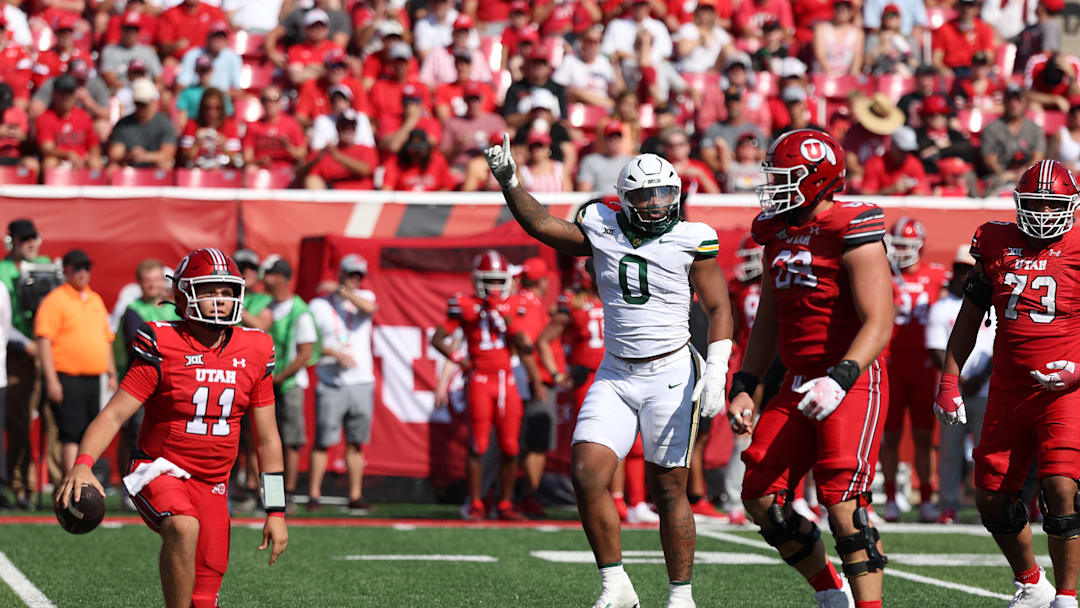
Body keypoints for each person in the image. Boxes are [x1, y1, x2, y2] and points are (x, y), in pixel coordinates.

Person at [486, 135, 733, 608]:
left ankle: (681, 596)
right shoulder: (600, 223)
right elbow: (540, 223)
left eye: (664, 194)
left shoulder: (691, 237)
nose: (657, 204)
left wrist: (717, 367)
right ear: (625, 199)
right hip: (616, 371)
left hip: (670, 372)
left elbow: (719, 307)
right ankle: (616, 585)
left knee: (668, 487)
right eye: (645, 195)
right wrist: (510, 180)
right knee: (587, 473)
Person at [53, 248, 287, 608]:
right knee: (182, 525)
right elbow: (115, 414)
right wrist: (84, 462)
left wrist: (276, 510)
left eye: (227, 292)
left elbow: (268, 438)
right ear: (183, 295)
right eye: (209, 290)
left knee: (204, 599)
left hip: (213, 483)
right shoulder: (164, 342)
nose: (221, 301)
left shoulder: (255, 347)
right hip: (159, 468)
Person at [730, 129, 894, 607]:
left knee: (844, 501)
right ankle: (829, 593)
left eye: (786, 178)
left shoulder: (851, 227)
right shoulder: (775, 230)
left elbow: (879, 322)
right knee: (761, 494)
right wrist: (746, 383)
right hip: (799, 379)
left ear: (817, 178)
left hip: (850, 378)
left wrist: (840, 378)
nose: (774, 187)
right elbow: (769, 318)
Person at [935, 159, 1080, 608]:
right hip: (1009, 389)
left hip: (1065, 392)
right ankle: (1033, 583)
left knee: (1059, 486)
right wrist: (948, 376)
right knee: (992, 497)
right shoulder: (994, 240)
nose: (1041, 213)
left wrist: (1078, 368)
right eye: (1034, 203)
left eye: (1051, 204)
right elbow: (971, 314)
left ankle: (1068, 597)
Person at [430, 250, 533, 521]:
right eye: (490, 280)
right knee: (479, 445)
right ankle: (475, 502)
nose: (495, 286)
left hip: (506, 379)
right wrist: (461, 361)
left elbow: (525, 345)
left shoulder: (514, 303)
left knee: (511, 447)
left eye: (499, 280)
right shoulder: (465, 304)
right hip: (479, 379)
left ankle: (505, 503)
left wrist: (504, 316)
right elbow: (438, 339)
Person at [880, 218, 949, 524]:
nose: (901, 252)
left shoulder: (936, 275)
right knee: (890, 436)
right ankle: (893, 497)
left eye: (907, 246)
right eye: (897, 246)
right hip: (892, 364)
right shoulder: (884, 275)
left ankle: (925, 498)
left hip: (923, 367)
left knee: (923, 437)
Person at [925, 244, 993, 524]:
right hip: (952, 390)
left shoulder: (992, 304)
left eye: (971, 269)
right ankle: (948, 504)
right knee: (951, 452)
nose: (966, 274)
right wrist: (959, 379)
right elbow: (936, 349)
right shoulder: (941, 307)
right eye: (962, 269)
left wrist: (980, 377)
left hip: (986, 387)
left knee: (987, 453)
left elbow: (997, 346)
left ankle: (988, 504)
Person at [35, 249, 117, 473]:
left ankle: (84, 481)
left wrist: (112, 373)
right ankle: (72, 483)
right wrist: (51, 380)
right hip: (67, 376)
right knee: (71, 433)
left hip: (94, 378)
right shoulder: (56, 300)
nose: (83, 273)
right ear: (66, 271)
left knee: (90, 432)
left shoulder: (95, 299)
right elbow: (44, 340)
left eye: (86, 268)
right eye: (77, 268)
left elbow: (107, 339)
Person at [307, 255, 376, 513]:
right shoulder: (319, 305)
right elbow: (308, 341)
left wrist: (342, 291)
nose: (355, 279)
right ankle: (314, 494)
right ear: (342, 273)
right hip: (331, 381)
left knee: (356, 442)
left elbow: (369, 309)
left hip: (361, 381)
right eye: (351, 274)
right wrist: (334, 353)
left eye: (359, 275)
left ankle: (355, 495)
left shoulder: (365, 297)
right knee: (323, 441)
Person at [113, 259, 179, 495]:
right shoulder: (133, 311)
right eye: (147, 280)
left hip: (172, 383)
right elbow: (140, 345)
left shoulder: (173, 308)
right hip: (141, 383)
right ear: (139, 283)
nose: (152, 285)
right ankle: (132, 488)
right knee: (138, 435)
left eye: (156, 280)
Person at [1, 219, 53, 510]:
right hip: (19, 355)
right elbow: (4, 322)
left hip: (51, 352)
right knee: (20, 423)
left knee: (55, 422)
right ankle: (20, 486)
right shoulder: (3, 270)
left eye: (33, 237)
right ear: (12, 242)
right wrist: (27, 344)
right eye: (24, 239)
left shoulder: (48, 265)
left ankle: (58, 484)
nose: (30, 243)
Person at [263, 256, 319, 505]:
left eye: (269, 274)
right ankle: (272, 493)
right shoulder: (271, 306)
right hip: (272, 382)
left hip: (290, 384)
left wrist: (279, 377)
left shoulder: (299, 310)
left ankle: (291, 491)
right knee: (270, 437)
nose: (265, 279)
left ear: (281, 278)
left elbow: (305, 354)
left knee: (291, 440)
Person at [35, 74, 103, 171]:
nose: (67, 97)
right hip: (60, 160)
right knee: (50, 162)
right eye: (62, 93)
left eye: (70, 93)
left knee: (95, 162)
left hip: (82, 159)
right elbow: (47, 148)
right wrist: (67, 155)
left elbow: (94, 146)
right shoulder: (44, 118)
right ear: (54, 94)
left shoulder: (83, 116)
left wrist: (87, 157)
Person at [107, 79, 177, 172]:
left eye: (144, 104)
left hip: (154, 167)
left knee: (165, 165)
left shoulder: (164, 123)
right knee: (113, 168)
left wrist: (145, 156)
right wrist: (130, 155)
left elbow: (168, 154)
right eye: (138, 103)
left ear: (153, 102)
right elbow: (115, 154)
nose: (141, 107)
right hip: (129, 166)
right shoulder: (123, 124)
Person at [179, 87, 241, 169]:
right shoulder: (191, 125)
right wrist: (196, 143)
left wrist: (225, 148)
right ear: (202, 108)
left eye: (217, 108)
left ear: (222, 109)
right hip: (197, 174)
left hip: (222, 174)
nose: (212, 112)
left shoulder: (230, 126)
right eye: (208, 108)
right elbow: (184, 160)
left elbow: (237, 161)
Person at [100, 11, 163, 91]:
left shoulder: (149, 51)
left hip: (146, 93)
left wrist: (149, 92)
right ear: (121, 29)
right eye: (128, 29)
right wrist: (131, 91)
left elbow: (159, 79)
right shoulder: (110, 50)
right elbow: (109, 78)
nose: (131, 33)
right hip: (121, 92)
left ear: (139, 31)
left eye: (135, 29)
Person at [577, 122, 632, 193]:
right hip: (599, 202)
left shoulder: (630, 162)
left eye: (617, 137)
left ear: (621, 139)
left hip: (624, 202)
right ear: (604, 139)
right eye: (610, 137)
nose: (614, 140)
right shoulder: (590, 161)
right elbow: (584, 191)